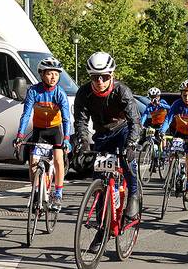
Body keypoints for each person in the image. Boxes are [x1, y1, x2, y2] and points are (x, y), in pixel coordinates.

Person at [74, 51, 142, 228]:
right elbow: (81, 121)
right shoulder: (84, 93)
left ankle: (133, 194)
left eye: (104, 77)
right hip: (102, 134)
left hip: (122, 130)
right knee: (99, 183)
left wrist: (132, 144)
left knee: (128, 161)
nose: (100, 81)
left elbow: (134, 120)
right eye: (95, 77)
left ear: (111, 75)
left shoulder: (122, 91)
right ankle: (101, 229)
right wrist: (83, 142)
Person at [14, 57, 71, 212]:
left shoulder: (60, 94)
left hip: (55, 131)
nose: (53, 77)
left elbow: (66, 118)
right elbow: (26, 115)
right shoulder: (34, 91)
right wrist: (20, 135)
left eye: (56, 74)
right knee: (33, 163)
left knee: (59, 159)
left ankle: (58, 193)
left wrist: (67, 138)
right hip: (39, 131)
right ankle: (36, 192)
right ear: (41, 74)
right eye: (49, 74)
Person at [159, 79, 188, 202]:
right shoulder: (176, 104)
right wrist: (162, 131)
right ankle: (174, 175)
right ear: (181, 95)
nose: (187, 97)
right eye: (184, 95)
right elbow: (168, 119)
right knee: (173, 154)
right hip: (179, 133)